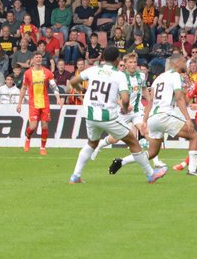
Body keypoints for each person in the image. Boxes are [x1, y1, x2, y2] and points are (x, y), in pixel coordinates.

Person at [68, 46, 166, 185]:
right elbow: (125, 99)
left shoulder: (93, 69)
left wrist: (83, 91)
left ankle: (75, 176)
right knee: (133, 142)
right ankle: (150, 174)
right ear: (117, 60)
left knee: (91, 143)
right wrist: (125, 108)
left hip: (90, 115)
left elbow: (72, 82)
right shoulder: (119, 75)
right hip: (108, 116)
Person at [142, 52, 197, 176]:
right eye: (184, 62)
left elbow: (151, 101)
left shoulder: (159, 77)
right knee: (194, 136)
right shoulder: (175, 76)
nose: (186, 64)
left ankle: (122, 161)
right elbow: (179, 99)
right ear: (177, 63)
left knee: (152, 152)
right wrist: (187, 118)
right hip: (165, 115)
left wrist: (144, 120)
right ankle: (192, 170)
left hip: (153, 117)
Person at [107, 52, 167, 175]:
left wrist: (150, 101)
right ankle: (95, 147)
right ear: (125, 64)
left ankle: (155, 161)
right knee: (114, 139)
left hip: (136, 112)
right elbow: (113, 95)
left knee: (147, 132)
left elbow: (144, 89)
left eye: (135, 62)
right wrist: (122, 104)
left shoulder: (141, 76)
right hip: (122, 113)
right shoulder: (120, 77)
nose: (133, 64)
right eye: (130, 62)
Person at [17, 51, 55, 155]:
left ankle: (42, 147)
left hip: (45, 103)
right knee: (33, 127)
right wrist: (19, 103)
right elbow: (24, 88)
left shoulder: (47, 72)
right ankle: (28, 138)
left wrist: (58, 97)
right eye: (37, 57)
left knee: (45, 126)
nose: (39, 59)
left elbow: (53, 86)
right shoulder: (27, 73)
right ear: (33, 60)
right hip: (33, 103)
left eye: (40, 57)